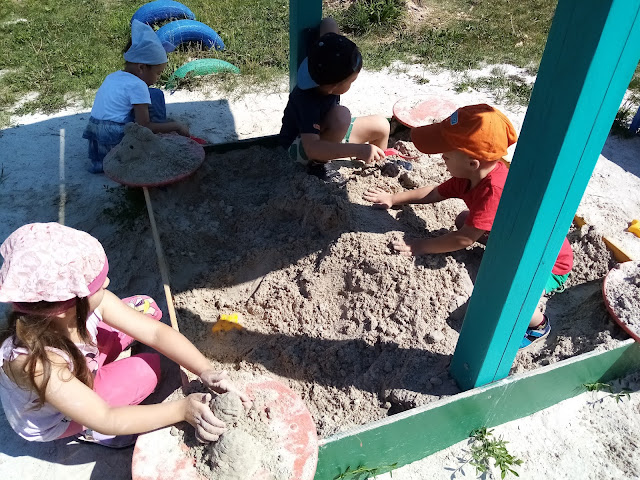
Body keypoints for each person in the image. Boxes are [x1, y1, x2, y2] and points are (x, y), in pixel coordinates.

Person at [0, 222, 250, 447]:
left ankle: (99, 366)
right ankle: (90, 433)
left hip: (78, 358)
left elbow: (155, 333)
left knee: (145, 307)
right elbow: (106, 417)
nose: (107, 282)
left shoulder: (71, 311)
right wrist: (181, 410)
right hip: (62, 415)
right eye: (96, 284)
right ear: (64, 307)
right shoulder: (35, 364)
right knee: (146, 370)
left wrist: (205, 370)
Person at [363, 104, 573, 349]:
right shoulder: (469, 177)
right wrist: (394, 198)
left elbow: (464, 239)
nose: (442, 157)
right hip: (515, 242)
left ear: (472, 163)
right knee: (464, 219)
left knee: (505, 295)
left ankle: (538, 325)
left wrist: (420, 246)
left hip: (545, 264)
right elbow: (435, 192)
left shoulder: (494, 190)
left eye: (447, 155)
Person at [279, 17, 390, 179]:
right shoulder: (307, 101)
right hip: (299, 148)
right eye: (351, 82)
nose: (352, 84)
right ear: (333, 88)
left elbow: (328, 23)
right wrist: (358, 150)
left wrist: (334, 39)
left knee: (381, 125)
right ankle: (318, 165)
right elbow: (312, 148)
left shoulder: (322, 56)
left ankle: (379, 165)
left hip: (329, 131)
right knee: (341, 115)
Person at [82, 20, 190, 174]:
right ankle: (152, 143)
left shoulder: (113, 76)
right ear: (141, 68)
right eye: (158, 73)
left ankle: (101, 162)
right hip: (115, 140)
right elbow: (144, 126)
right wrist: (176, 126)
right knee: (156, 95)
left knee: (150, 95)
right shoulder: (138, 85)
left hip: (96, 141)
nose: (158, 78)